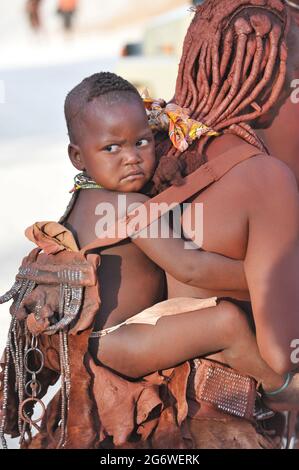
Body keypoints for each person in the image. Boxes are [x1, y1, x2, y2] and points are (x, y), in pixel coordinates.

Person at [88, 0, 299, 449]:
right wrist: (274, 279)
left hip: (139, 381)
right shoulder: (262, 179)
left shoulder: (162, 154)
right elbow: (192, 270)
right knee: (235, 331)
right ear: (268, 84)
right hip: (132, 352)